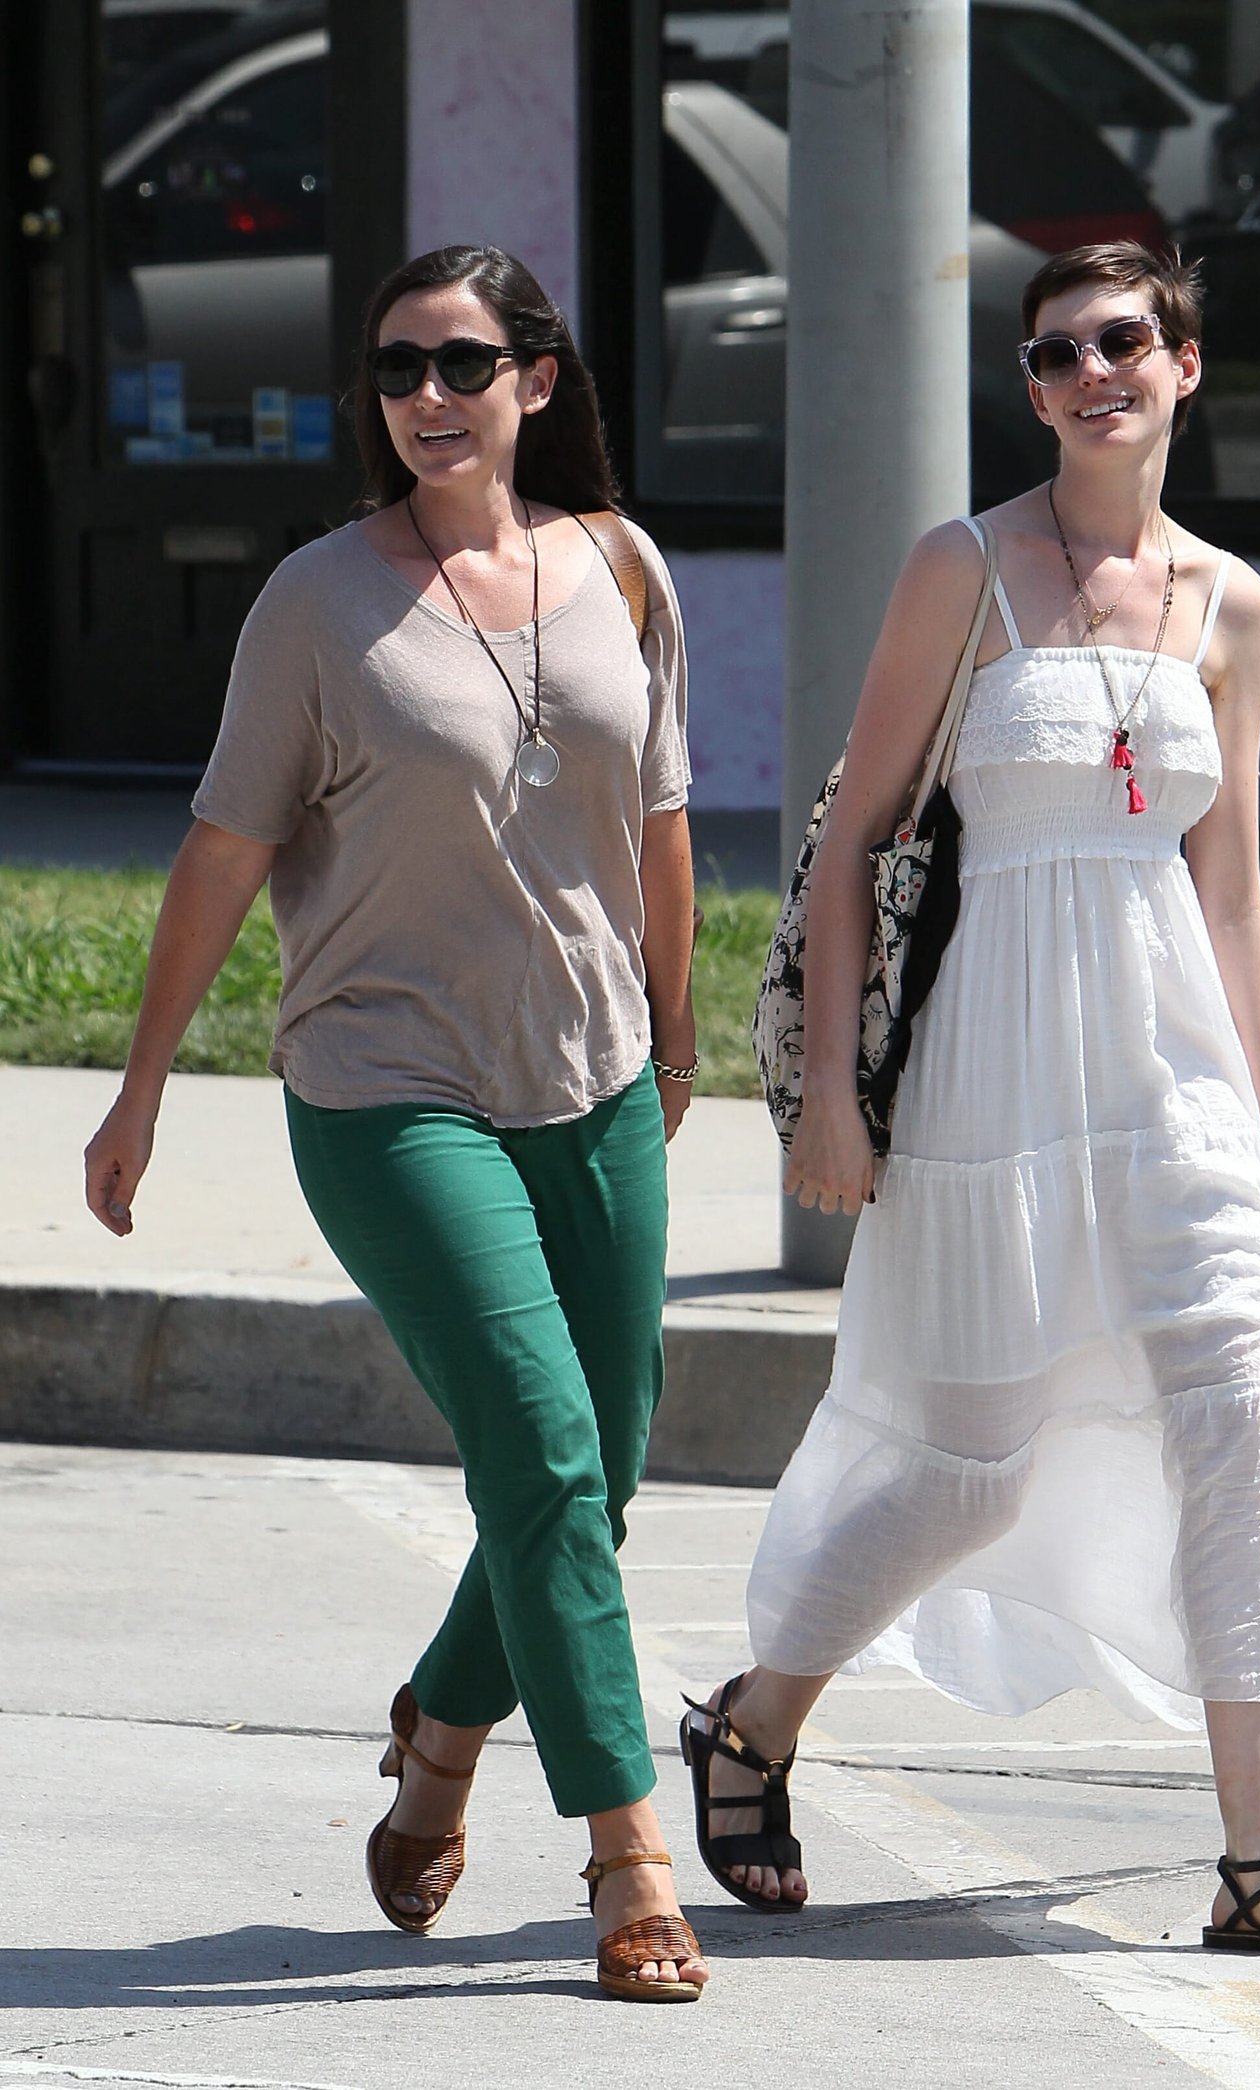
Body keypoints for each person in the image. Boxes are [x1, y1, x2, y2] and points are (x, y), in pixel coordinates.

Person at [682, 242, 1260, 1966]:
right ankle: (756, 1718)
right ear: (1032, 389)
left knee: (1239, 1431)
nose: (1092, 372)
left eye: (1122, 340)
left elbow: (1232, 895)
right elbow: (854, 839)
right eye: (1055, 353)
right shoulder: (967, 568)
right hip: (990, 1080)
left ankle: (1259, 1861)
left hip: (1176, 1085)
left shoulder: (1235, 606)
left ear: (1183, 364)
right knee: (972, 1466)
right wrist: (831, 1098)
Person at [85, 245, 710, 2002]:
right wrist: (142, 1084)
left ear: (536, 379)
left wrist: (674, 1031)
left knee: (603, 1466)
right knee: (544, 1449)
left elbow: (662, 820)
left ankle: (439, 1731)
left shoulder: (623, 567)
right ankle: (629, 1858)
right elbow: (224, 849)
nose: (426, 396)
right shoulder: (316, 604)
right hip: (388, 1088)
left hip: (595, 1073)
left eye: (462, 363)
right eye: (395, 368)